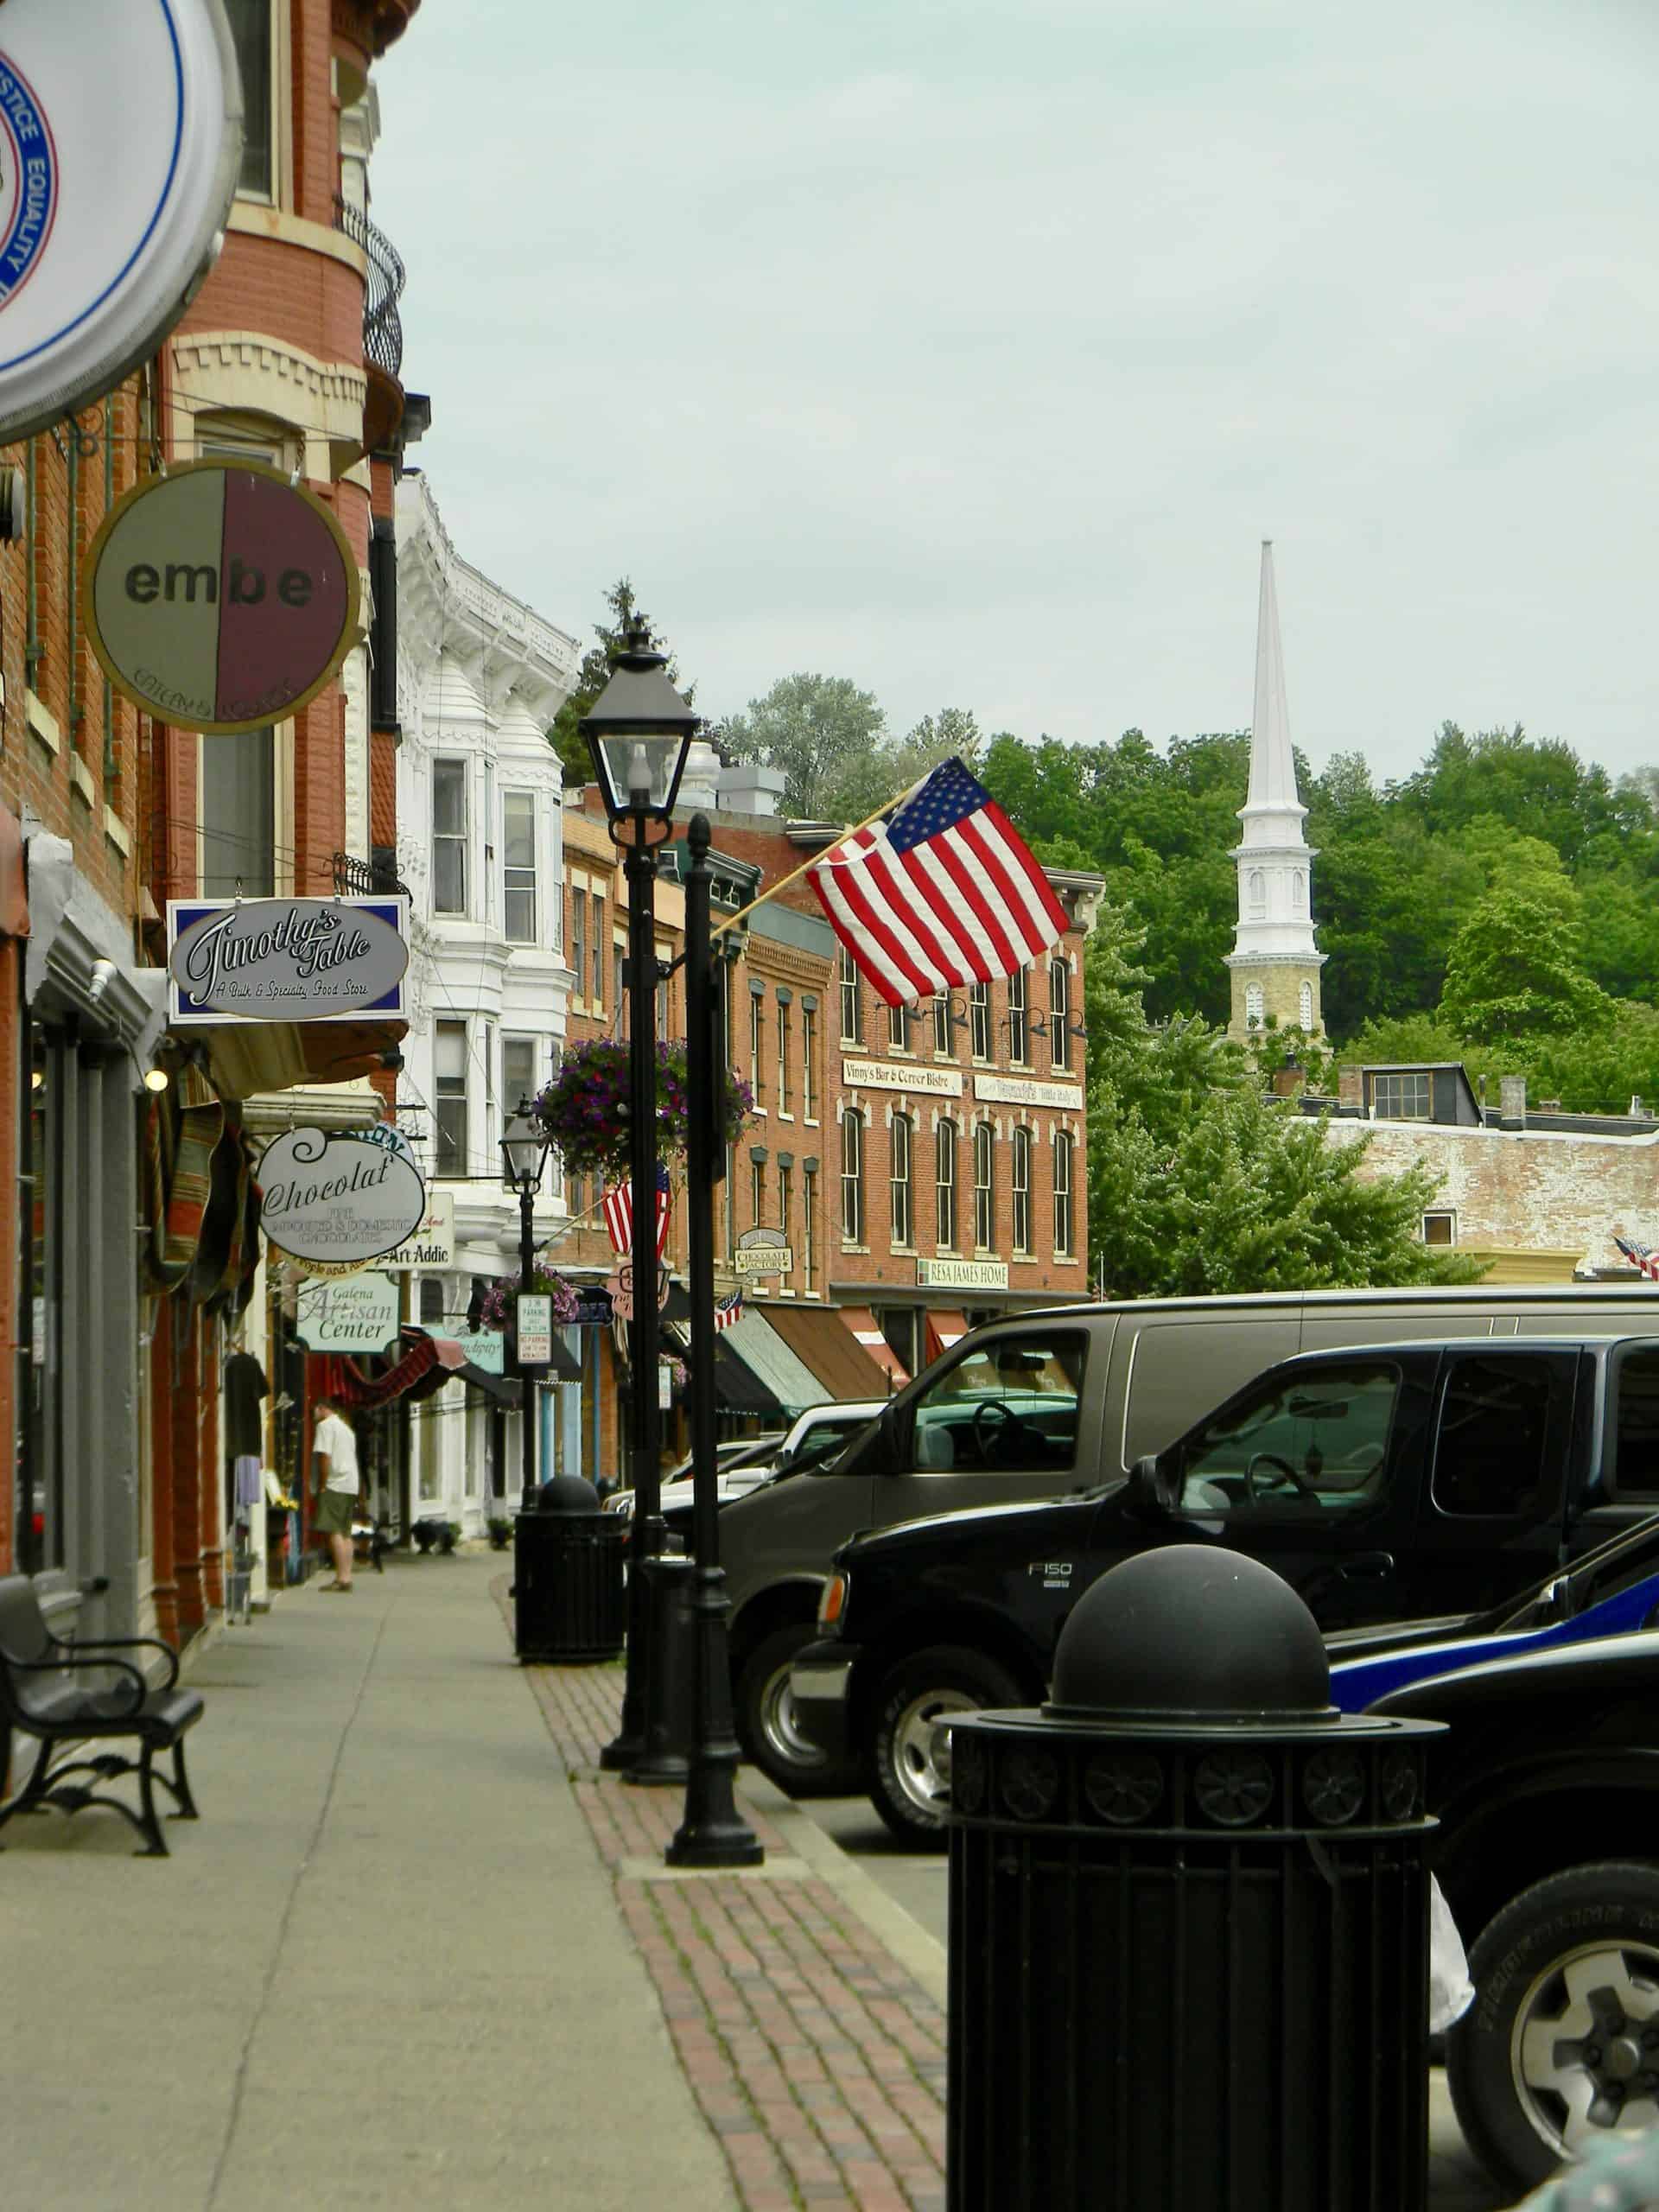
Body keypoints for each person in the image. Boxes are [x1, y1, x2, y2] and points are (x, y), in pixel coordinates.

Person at [310, 1393, 361, 1592]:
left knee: (334, 1530)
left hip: (335, 1483)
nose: (313, 1414)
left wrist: (322, 1484)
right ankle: (347, 1575)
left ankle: (341, 1577)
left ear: (323, 1408)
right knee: (346, 1531)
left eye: (314, 1410)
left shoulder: (325, 1427)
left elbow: (325, 1457)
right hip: (351, 1484)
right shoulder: (346, 1429)